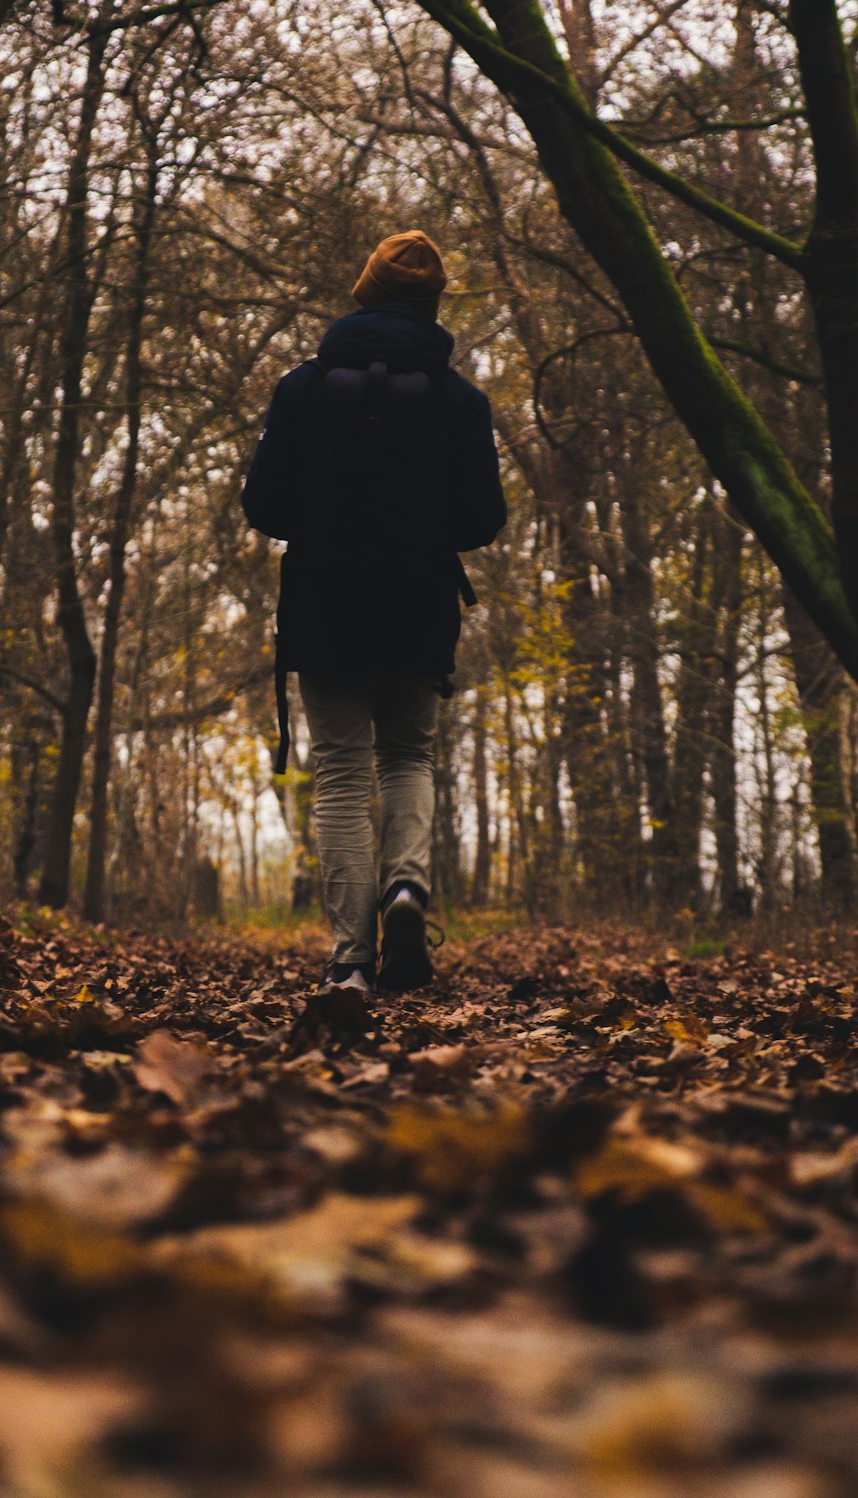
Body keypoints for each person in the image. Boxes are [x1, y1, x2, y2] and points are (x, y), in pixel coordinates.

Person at [242, 229, 506, 994]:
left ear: (362, 294)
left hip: (324, 596)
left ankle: (352, 959)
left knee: (341, 773)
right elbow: (483, 517)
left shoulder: (303, 388)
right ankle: (406, 890)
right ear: (432, 305)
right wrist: (423, 532)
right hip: (418, 598)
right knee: (407, 756)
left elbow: (262, 503)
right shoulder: (462, 400)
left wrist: (320, 522)